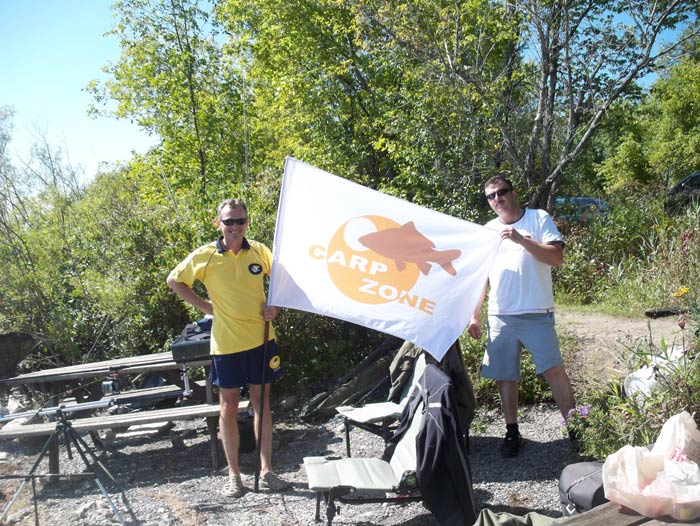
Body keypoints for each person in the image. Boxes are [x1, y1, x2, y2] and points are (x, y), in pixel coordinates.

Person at [167, 198, 291, 497]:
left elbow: (284, 282)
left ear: (247, 222)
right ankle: (234, 476)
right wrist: (204, 306)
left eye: (240, 220)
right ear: (219, 223)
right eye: (229, 221)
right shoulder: (206, 255)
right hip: (226, 343)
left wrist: (275, 306)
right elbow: (174, 280)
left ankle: (267, 471)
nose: (235, 226)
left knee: (261, 403)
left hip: (261, 339)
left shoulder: (259, 251)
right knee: (229, 406)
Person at [468, 176, 575, 457]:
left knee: (553, 370)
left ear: (514, 193)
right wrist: (474, 316)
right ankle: (512, 431)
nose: (497, 199)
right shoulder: (487, 231)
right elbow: (481, 278)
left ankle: (578, 429)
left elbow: (557, 258)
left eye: (501, 192)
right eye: (491, 196)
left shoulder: (538, 219)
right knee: (505, 375)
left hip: (536, 311)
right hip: (500, 314)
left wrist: (521, 241)